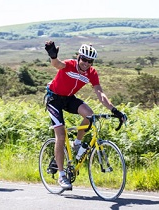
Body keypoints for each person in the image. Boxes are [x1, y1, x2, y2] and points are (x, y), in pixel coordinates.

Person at [44, 41, 127, 189]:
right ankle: (62, 176)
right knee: (61, 135)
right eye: (84, 59)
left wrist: (114, 110)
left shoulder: (91, 73)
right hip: (54, 99)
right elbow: (57, 64)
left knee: (89, 115)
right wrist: (52, 56)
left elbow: (100, 93)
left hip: (69, 99)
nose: (86, 63)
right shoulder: (69, 65)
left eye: (90, 61)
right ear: (78, 57)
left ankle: (76, 144)